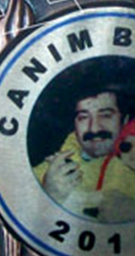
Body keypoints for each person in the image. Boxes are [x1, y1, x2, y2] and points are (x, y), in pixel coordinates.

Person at [32, 89, 126, 218]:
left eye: (105, 115)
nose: (94, 128)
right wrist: (48, 198)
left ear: (124, 120)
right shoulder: (49, 175)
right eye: (83, 117)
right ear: (75, 125)